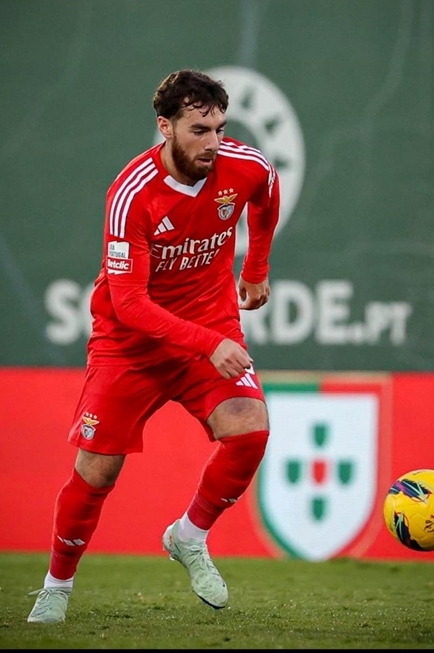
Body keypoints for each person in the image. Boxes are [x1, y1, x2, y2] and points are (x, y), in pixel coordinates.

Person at [27, 70, 281, 623]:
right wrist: (209, 344)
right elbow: (130, 306)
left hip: (209, 324)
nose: (212, 142)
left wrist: (256, 267)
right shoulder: (131, 194)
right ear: (165, 127)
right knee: (97, 472)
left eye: (218, 127)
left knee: (250, 428)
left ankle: (189, 536)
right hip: (130, 345)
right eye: (198, 130)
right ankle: (56, 589)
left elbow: (266, 193)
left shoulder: (245, 165)